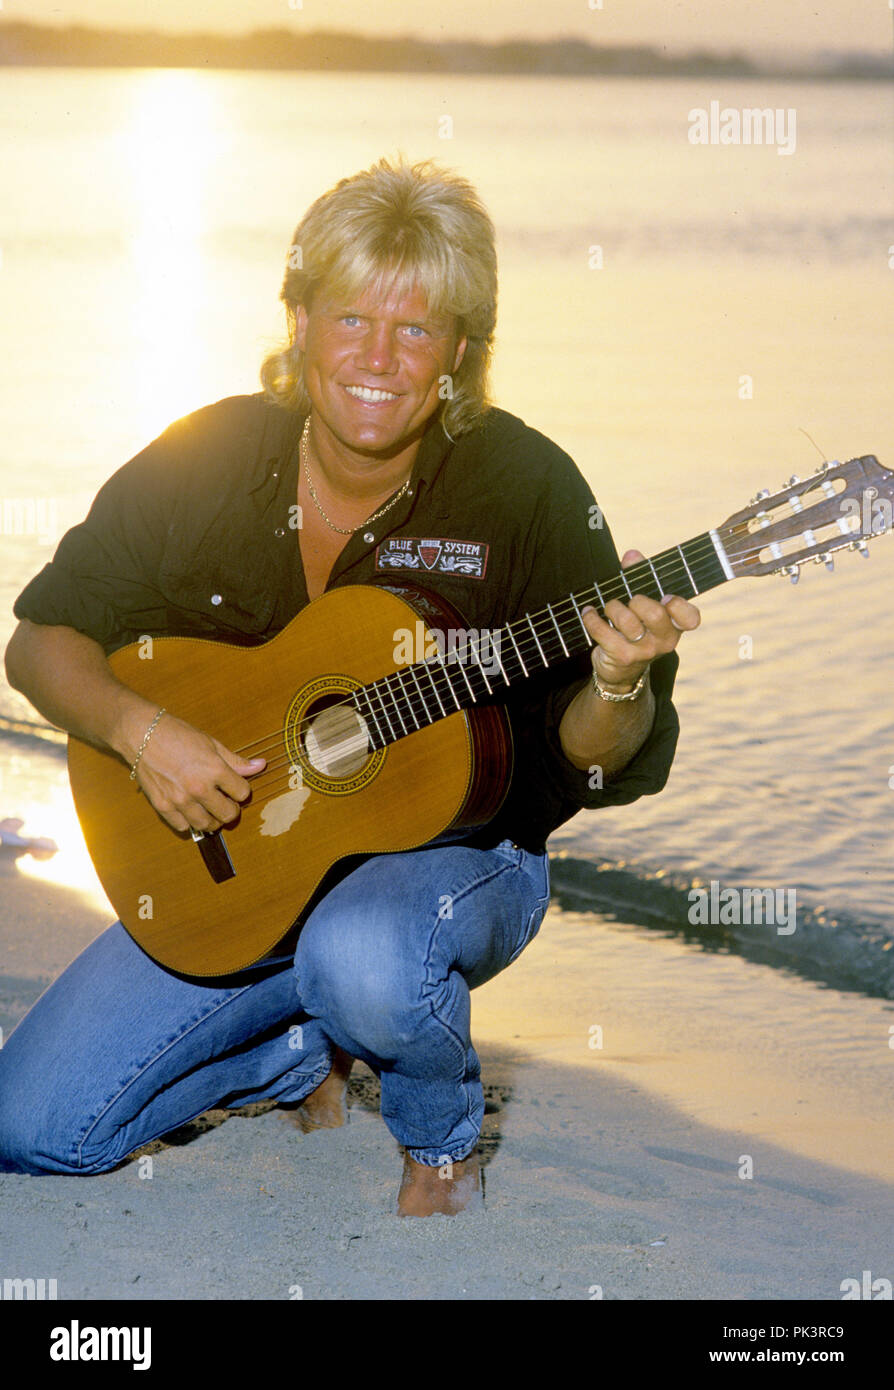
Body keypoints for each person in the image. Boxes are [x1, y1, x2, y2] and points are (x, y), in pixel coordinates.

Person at [0, 157, 699, 1216]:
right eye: (349, 318)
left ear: (461, 350)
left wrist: (617, 678)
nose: (378, 357)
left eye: (417, 330)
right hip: (244, 873)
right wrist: (143, 732)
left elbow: (595, 758)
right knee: (32, 1130)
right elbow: (39, 640)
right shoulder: (208, 458)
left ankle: (436, 1146)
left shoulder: (527, 488)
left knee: (363, 947)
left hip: (460, 866)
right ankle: (293, 1050)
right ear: (298, 320)